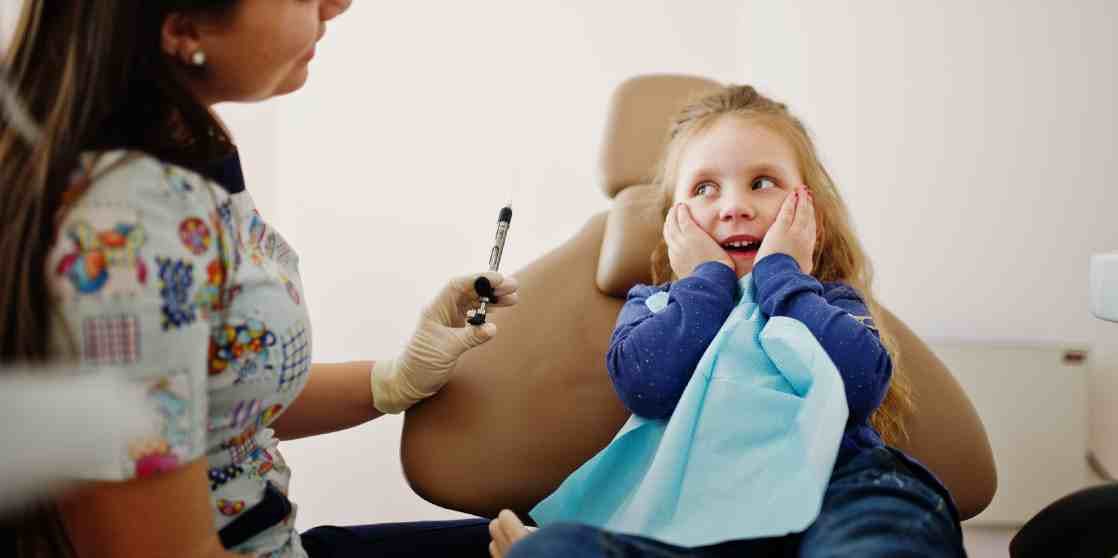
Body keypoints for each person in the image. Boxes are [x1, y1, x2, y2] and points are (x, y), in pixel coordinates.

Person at [0, 1, 512, 556]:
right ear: (184, 28)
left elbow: (214, 398)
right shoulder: (123, 238)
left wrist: (394, 380)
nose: (337, 5)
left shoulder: (184, 150)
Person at [488, 85, 965, 557]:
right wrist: (707, 281)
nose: (734, 207)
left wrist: (782, 275)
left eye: (762, 183)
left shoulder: (830, 300)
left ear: (811, 216)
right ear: (673, 224)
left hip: (842, 487)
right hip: (697, 515)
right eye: (704, 189)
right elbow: (647, 386)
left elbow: (859, 385)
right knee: (553, 548)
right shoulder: (654, 306)